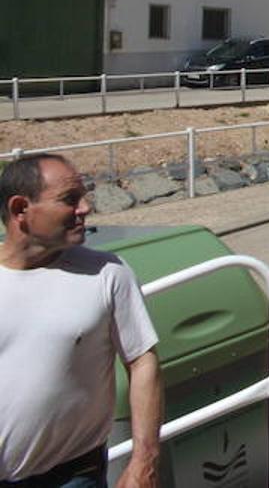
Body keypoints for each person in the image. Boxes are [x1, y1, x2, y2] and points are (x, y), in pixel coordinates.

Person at [0, 154, 162, 488]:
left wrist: (143, 463)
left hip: (72, 476)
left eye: (84, 197)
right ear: (20, 209)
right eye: (69, 200)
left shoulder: (107, 273)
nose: (85, 208)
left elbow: (143, 362)